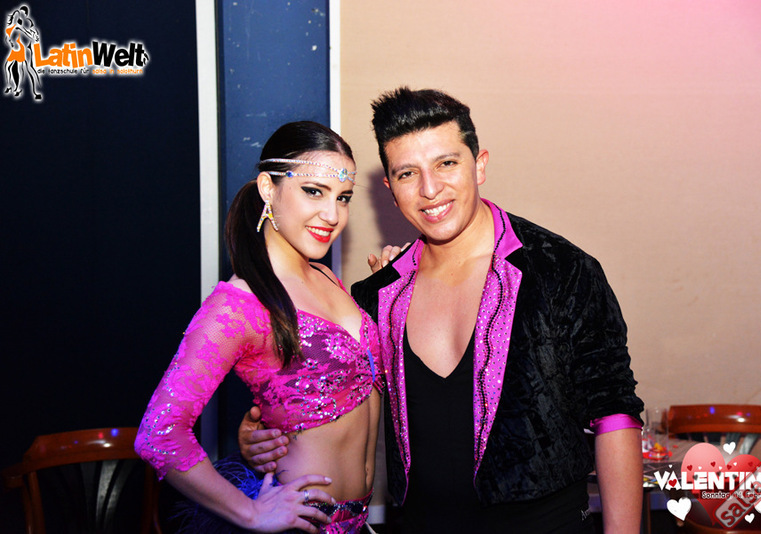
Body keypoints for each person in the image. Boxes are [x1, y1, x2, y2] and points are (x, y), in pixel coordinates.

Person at [240, 89, 645, 533]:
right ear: (390, 190)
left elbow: (615, 415)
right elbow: (335, 401)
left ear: (480, 165)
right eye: (408, 173)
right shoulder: (375, 297)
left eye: (446, 163)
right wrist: (263, 433)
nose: (430, 189)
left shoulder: (560, 270)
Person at [135, 121, 383, 534]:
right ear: (268, 188)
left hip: (360, 522)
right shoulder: (239, 305)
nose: (332, 215)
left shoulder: (327, 278)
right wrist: (251, 513)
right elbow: (159, 433)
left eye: (343, 197)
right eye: (314, 191)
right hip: (303, 525)